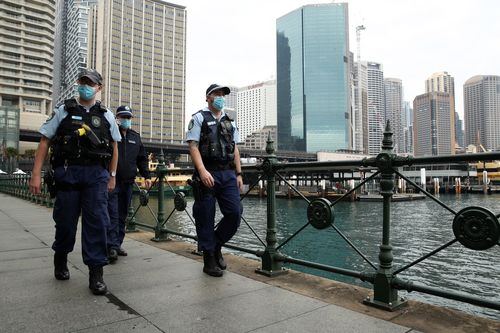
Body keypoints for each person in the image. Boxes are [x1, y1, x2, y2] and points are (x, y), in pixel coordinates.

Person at [29, 69, 121, 295]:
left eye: (90, 83)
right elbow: (44, 141)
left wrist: (112, 176)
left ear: (99, 87)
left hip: (96, 177)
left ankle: (96, 272)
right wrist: (36, 174)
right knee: (65, 223)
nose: (85, 86)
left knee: (98, 223)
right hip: (68, 174)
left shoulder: (107, 115)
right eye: (83, 81)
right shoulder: (63, 110)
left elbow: (115, 147)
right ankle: (60, 257)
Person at [186, 83, 243, 277]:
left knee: (235, 213)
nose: (220, 97)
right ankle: (208, 260)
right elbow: (193, 146)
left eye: (222, 94)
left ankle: (216, 244)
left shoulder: (230, 122)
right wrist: (201, 171)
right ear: (207, 98)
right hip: (207, 173)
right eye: (216, 94)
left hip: (227, 174)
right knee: (205, 216)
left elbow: (235, 148)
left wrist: (239, 173)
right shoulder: (198, 118)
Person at [107, 106, 151, 262]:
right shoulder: (110, 133)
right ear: (116, 118)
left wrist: (146, 175)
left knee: (123, 214)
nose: (125, 120)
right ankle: (110, 246)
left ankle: (117, 244)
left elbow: (142, 158)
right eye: (122, 117)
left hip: (128, 182)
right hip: (112, 181)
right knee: (112, 213)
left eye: (128, 118)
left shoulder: (135, 137)